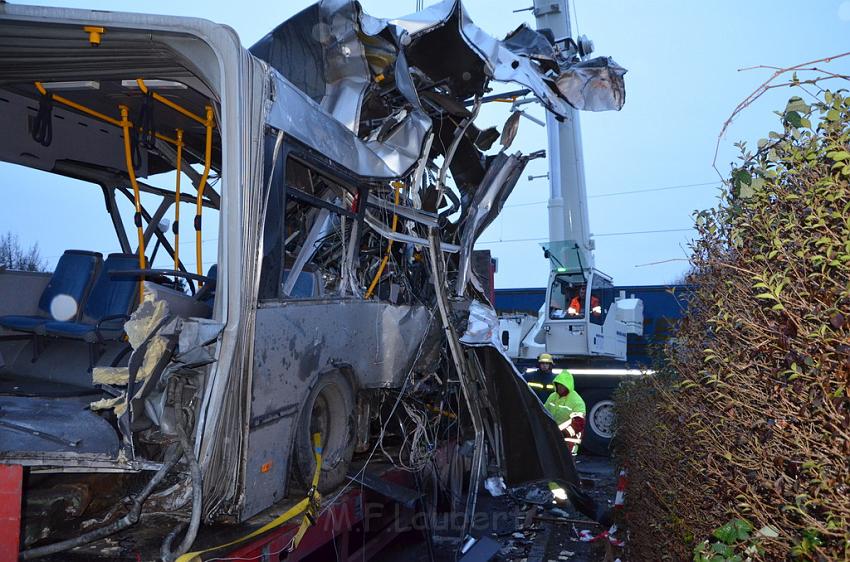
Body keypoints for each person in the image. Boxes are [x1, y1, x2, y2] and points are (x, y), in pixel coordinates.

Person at [544, 370, 587, 455]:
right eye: (558, 384)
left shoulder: (576, 401)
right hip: (553, 434)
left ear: (568, 386)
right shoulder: (552, 397)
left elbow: (579, 423)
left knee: (567, 463)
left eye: (563, 385)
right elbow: (544, 412)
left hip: (569, 438)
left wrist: (564, 433)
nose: (560, 387)